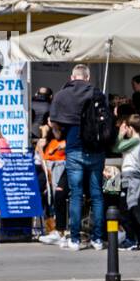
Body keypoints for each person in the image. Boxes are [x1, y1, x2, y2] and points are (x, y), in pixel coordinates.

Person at [48, 63, 106, 251]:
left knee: (75, 195)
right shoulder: (98, 93)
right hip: (96, 150)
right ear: (87, 77)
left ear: (73, 77)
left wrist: (59, 133)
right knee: (97, 195)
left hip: (74, 149)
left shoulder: (61, 95)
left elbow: (54, 123)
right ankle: (97, 239)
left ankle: (74, 239)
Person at [114, 114, 140, 251]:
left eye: (126, 128)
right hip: (129, 176)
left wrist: (120, 134)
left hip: (130, 176)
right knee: (127, 209)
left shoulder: (135, 141)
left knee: (125, 210)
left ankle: (131, 239)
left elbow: (116, 148)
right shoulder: (137, 142)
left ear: (130, 128)